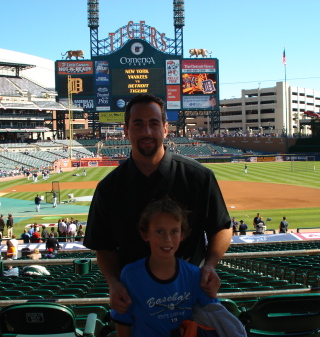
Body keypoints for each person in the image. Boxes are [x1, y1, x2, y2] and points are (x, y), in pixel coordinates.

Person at [84, 94, 232, 314]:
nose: (147, 132)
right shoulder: (108, 188)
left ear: (165, 129)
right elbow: (103, 245)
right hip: (136, 299)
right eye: (138, 124)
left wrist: (210, 264)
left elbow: (222, 227)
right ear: (126, 130)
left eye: (154, 123)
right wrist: (113, 283)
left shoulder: (199, 177)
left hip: (190, 295)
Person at [111, 198, 219, 337]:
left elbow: (214, 313)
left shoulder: (194, 275)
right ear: (145, 234)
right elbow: (123, 323)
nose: (167, 239)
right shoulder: (130, 275)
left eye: (174, 231)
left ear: (182, 235)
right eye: (159, 231)